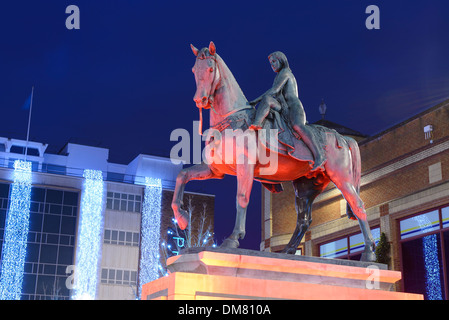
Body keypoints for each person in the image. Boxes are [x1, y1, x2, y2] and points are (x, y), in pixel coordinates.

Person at [249, 51, 325, 171]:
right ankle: (257, 124)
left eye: (274, 61)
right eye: (270, 63)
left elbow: (275, 90)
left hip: (293, 107)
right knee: (267, 100)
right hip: (283, 107)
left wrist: (255, 101)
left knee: (298, 126)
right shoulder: (277, 76)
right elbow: (272, 94)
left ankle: (319, 156)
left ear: (281, 60)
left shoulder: (286, 72)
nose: (272, 65)